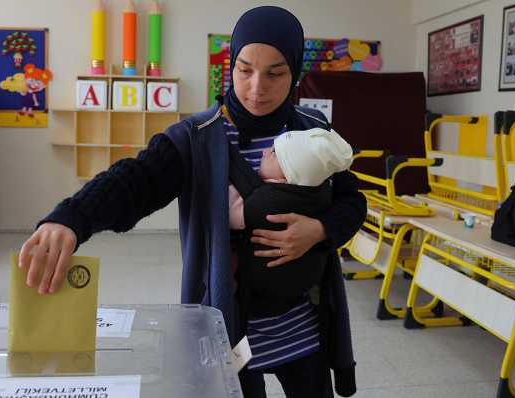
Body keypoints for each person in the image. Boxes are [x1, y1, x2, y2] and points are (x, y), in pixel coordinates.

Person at [18, 6, 366, 398]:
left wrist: (320, 230)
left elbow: (352, 201)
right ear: (230, 66)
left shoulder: (314, 131)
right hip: (229, 330)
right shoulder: (198, 137)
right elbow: (136, 180)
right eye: (245, 69)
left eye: (275, 73)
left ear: (295, 74)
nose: (256, 87)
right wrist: (73, 217)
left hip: (305, 329)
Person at [228, 128, 353, 320]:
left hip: (257, 296)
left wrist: (320, 230)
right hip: (302, 291)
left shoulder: (265, 203)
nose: (265, 152)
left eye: (274, 153)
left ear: (285, 176)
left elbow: (226, 213)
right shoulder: (321, 192)